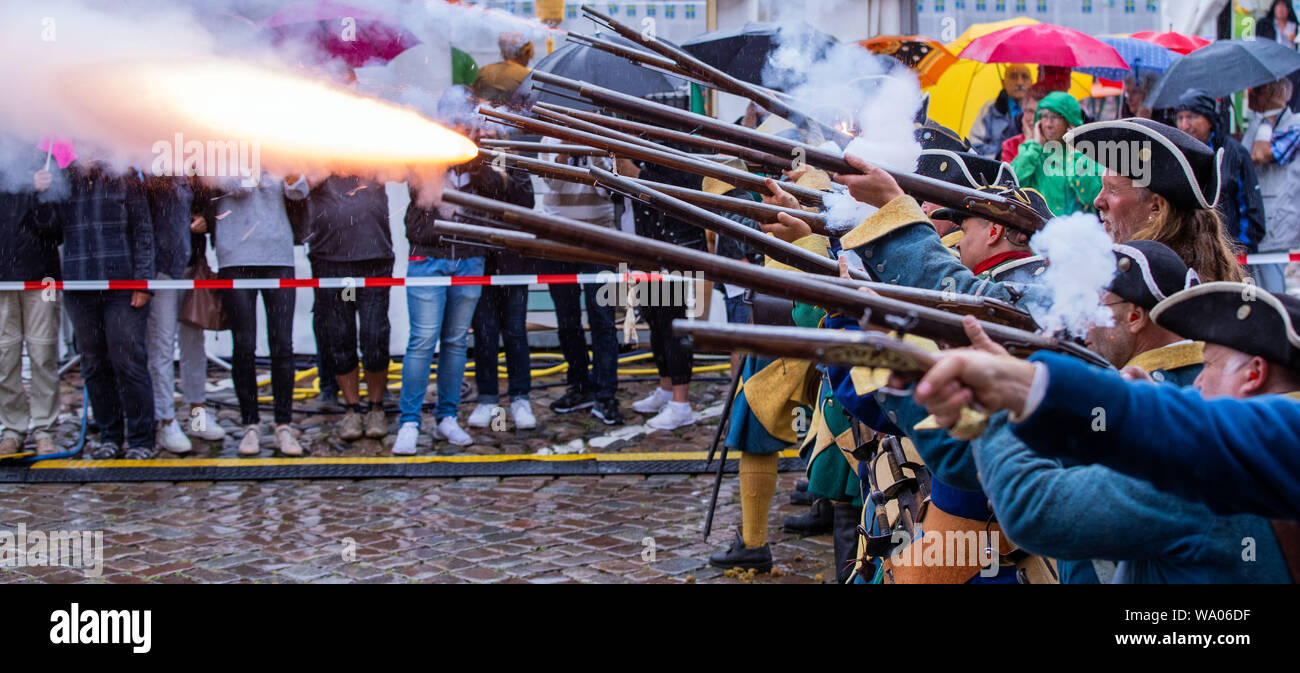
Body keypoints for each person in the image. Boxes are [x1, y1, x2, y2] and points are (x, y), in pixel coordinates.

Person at [912, 282, 1300, 523]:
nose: (1198, 378)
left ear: (1254, 374)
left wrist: (1011, 395)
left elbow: (1036, 510)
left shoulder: (1206, 482)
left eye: (1211, 363)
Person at [393, 87, 497, 454]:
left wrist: (478, 154)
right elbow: (413, 183)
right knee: (422, 342)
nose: (459, 126)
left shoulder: (479, 157)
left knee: (455, 343)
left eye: (464, 121)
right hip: (429, 256)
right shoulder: (428, 149)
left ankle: (447, 418)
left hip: (468, 257)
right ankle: (408, 422)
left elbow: (498, 192)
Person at [199, 173, 308, 457]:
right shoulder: (224, 148)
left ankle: (284, 424)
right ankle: (251, 424)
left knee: (282, 343)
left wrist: (293, 176)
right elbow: (238, 186)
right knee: (244, 344)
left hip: (279, 254)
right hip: (235, 255)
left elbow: (300, 191)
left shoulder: (279, 145)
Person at [1067, 117, 1245, 282]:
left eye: (1112, 190)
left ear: (1156, 208)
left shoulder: (1156, 286)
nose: (1098, 201)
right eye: (1102, 187)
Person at [59, 161, 156, 460]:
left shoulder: (123, 175)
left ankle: (142, 440)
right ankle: (109, 436)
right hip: (78, 287)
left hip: (123, 286)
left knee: (128, 359)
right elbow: (49, 228)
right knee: (93, 363)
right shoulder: (63, 179)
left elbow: (143, 230)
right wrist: (42, 193)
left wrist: (143, 282)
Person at [300, 174, 395, 443]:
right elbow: (295, 186)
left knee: (375, 334)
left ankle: (376, 406)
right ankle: (352, 408)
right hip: (332, 261)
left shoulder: (375, 154)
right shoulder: (316, 154)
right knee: (340, 335)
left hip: (373, 260)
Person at [538, 140, 623, 426]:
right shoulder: (548, 139)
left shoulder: (602, 139)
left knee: (603, 320)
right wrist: (564, 149)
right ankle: (579, 384)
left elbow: (609, 187)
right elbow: (553, 184)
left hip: (600, 238)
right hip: (557, 237)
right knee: (567, 319)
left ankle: (606, 391)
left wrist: (593, 150)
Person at [622, 158, 706, 431]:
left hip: (672, 249)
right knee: (656, 323)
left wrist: (636, 172)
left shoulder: (674, 152)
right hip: (647, 249)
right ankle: (667, 389)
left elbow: (673, 190)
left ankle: (681, 404)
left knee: (673, 326)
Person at [143, 175, 222, 454]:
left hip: (192, 264)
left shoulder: (197, 168)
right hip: (162, 268)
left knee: (193, 343)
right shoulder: (151, 166)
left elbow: (216, 203)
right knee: (162, 345)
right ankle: (165, 420)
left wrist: (207, 222)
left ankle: (197, 416)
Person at [0, 143, 63, 456]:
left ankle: (45, 429)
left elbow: (56, 231)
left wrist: (42, 198)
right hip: (1, 278)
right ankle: (11, 428)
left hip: (43, 277)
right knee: (4, 358)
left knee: (43, 352)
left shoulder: (47, 161)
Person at [468, 153, 538, 431]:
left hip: (513, 260)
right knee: (484, 332)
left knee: (515, 332)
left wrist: (500, 178)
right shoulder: (470, 161)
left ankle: (520, 397)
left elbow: (525, 201)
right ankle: (487, 399)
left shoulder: (516, 161)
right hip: (480, 259)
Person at [1175, 89, 1267, 255]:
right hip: (1192, 253)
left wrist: (1240, 249)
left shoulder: (1234, 153)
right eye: (1180, 118)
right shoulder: (1177, 155)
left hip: (1231, 253)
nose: (1184, 125)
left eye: (1191, 117)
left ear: (1209, 119)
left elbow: (1251, 208)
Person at [1245, 77, 1300, 294]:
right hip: (1255, 218)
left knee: (1272, 290)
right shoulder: (1259, 123)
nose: (1251, 95)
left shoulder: (1294, 125)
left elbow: (1260, 154)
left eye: (1259, 90)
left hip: (1277, 221)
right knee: (1254, 290)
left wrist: (1268, 118)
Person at [1009, 91, 1102, 216]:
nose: (1048, 124)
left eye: (1055, 117)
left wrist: (1076, 155)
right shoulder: (1033, 152)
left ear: (1069, 121)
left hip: (1080, 230)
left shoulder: (1089, 153)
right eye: (1044, 117)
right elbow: (1012, 185)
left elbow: (1091, 195)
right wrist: (1035, 146)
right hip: (1041, 231)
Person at [968, 64, 1033, 158]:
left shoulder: (1039, 110)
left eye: (1025, 77)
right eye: (1013, 77)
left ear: (1031, 82)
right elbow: (975, 145)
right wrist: (1002, 153)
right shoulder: (989, 109)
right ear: (1003, 82)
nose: (1019, 82)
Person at [473, 32, 534, 107]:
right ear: (525, 53)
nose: (530, 59)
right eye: (530, 55)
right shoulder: (527, 76)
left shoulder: (484, 70)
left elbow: (474, 98)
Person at [1000, 84, 1052, 163]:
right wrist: (1028, 142)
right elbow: (1015, 174)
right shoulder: (1010, 146)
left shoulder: (1057, 145)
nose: (1034, 118)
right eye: (1030, 111)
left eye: (1039, 112)